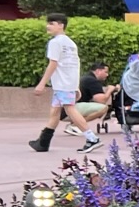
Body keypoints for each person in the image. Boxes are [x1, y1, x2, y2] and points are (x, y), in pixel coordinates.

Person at [30, 14, 97, 153]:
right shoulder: (70, 43)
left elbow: (53, 64)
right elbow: (74, 65)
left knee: (70, 109)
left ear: (61, 25)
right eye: (48, 23)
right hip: (67, 83)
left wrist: (42, 83)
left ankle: (92, 138)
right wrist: (75, 86)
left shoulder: (55, 42)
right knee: (55, 111)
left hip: (62, 84)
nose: (48, 26)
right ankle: (43, 142)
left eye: (52, 23)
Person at [75, 60, 117, 133]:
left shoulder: (87, 78)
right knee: (103, 108)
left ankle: (75, 124)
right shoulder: (92, 81)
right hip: (73, 109)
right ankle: (75, 125)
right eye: (105, 72)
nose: (107, 75)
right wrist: (110, 90)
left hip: (70, 108)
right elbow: (101, 100)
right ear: (98, 71)